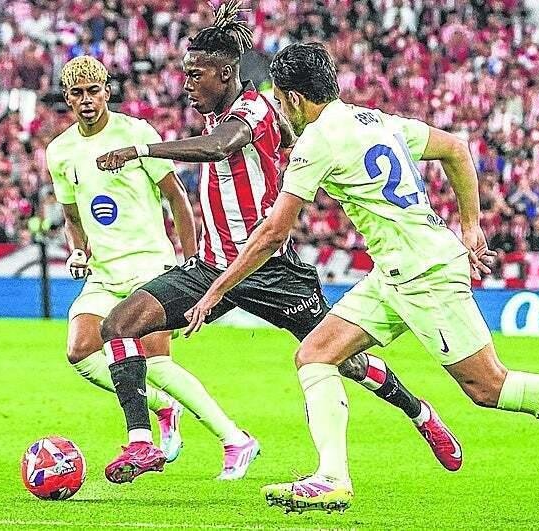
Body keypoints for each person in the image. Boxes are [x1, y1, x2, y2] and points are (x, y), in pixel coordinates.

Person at [182, 43, 539, 513]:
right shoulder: (373, 120)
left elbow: (272, 233)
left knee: (489, 388)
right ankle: (331, 477)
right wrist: (471, 225)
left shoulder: (316, 142)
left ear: (291, 97)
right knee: (315, 354)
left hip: (424, 273)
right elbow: (455, 148)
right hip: (394, 272)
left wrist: (215, 290)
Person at [96, 1, 463, 485]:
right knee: (118, 325)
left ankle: (420, 412)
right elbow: (274, 139)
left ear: (226, 74)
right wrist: (283, 145)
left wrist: (139, 150)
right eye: (186, 74)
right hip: (213, 266)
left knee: (347, 361)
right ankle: (142, 441)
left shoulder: (252, 109)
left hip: (270, 269)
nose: (186, 84)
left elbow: (220, 148)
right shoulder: (221, 112)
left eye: (196, 75)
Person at [47, 55, 253, 481]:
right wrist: (78, 251)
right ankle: (162, 406)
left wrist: (192, 263)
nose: (87, 101)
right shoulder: (60, 151)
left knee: (155, 362)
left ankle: (235, 439)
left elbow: (177, 197)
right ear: (67, 98)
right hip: (105, 273)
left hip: (150, 266)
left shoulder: (136, 134)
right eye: (77, 94)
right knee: (80, 351)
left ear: (107, 91)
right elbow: (72, 216)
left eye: (94, 91)